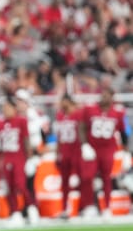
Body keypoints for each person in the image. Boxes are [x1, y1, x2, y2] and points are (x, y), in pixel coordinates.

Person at [80, 87, 128, 218]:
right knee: (87, 177)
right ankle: (89, 206)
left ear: (112, 98)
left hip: (108, 149)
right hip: (92, 149)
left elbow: (124, 133)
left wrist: (126, 151)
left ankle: (106, 207)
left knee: (107, 178)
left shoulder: (118, 112)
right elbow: (82, 127)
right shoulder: (90, 109)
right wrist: (84, 145)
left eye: (108, 96)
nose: (105, 98)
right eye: (103, 94)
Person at [0, 96, 38, 227]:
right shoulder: (2, 123)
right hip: (7, 157)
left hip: (18, 157)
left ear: (14, 108)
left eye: (7, 107)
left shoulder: (21, 121)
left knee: (20, 185)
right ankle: (15, 212)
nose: (5, 110)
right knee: (9, 187)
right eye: (4, 108)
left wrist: (30, 158)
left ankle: (32, 208)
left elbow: (26, 140)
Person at [53, 95, 82, 219]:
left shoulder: (78, 114)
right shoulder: (60, 116)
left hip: (76, 151)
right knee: (64, 183)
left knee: (82, 180)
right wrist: (57, 153)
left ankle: (84, 207)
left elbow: (82, 132)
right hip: (65, 151)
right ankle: (65, 208)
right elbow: (59, 137)